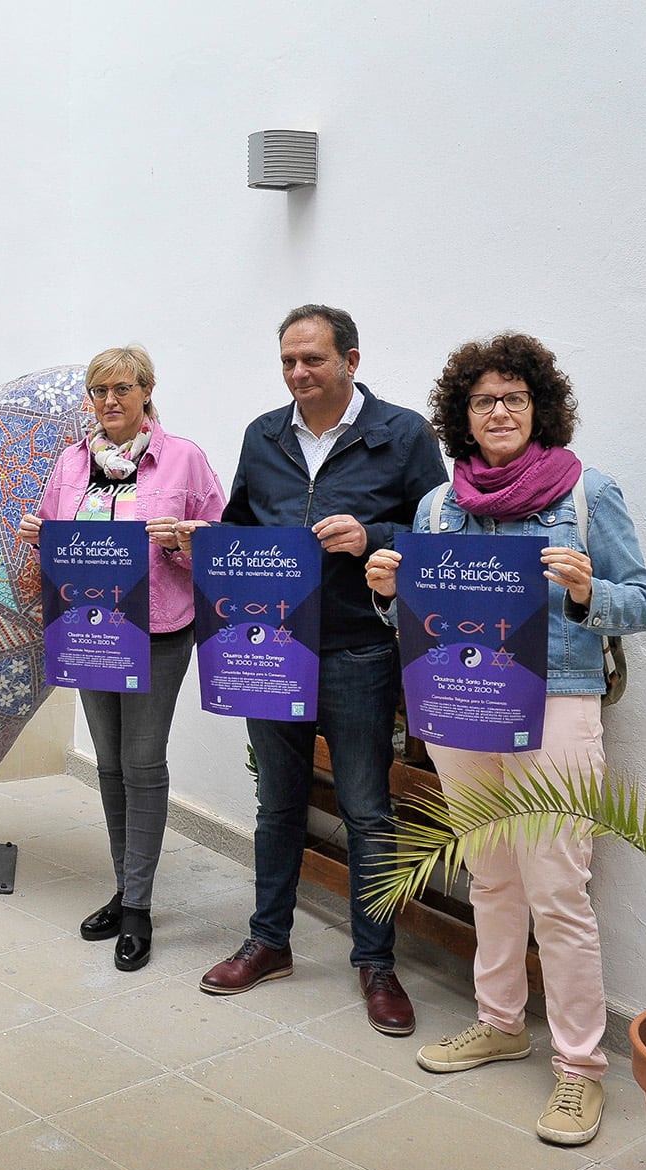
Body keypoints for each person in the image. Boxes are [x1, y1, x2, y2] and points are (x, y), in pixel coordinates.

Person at [365, 333, 646, 1146]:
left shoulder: (586, 494)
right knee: (491, 876)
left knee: (559, 890)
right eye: (482, 400)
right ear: (462, 416)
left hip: (559, 699)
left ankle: (579, 1068)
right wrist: (389, 595)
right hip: (464, 705)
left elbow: (643, 600)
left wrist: (586, 590)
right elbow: (417, 620)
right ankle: (500, 1019)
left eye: (513, 398)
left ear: (540, 409)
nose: (497, 411)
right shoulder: (438, 505)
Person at [200, 305, 446, 1036]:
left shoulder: (403, 434)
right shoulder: (263, 434)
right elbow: (241, 526)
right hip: (270, 647)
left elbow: (438, 530)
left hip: (358, 648)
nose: (299, 374)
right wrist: (204, 544)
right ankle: (269, 941)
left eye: (312, 359)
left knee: (368, 811)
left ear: (352, 359)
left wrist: (375, 533)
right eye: (288, 362)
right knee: (278, 803)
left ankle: (376, 962)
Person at [18, 346, 226, 971]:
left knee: (141, 760)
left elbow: (222, 543)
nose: (111, 401)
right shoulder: (71, 463)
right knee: (108, 762)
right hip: (89, 632)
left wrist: (186, 544)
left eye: (123, 388)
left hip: (159, 628)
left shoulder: (184, 458)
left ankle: (137, 907)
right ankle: (124, 886)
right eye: (100, 390)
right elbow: (57, 544)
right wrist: (41, 538)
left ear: (147, 392)